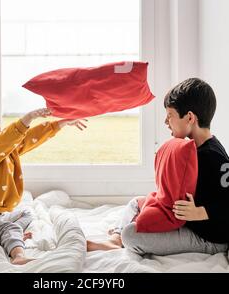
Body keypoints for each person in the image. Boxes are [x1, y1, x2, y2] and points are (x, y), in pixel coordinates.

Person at [87, 78, 229, 256]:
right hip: (185, 219)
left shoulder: (212, 156)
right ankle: (115, 240)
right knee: (136, 203)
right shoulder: (192, 150)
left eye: (170, 115)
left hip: (208, 237)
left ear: (190, 117)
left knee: (131, 235)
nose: (166, 121)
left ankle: (122, 239)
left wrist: (200, 212)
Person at [0, 107, 87, 265]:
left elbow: (27, 138)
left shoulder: (3, 150)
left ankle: (7, 236)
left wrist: (60, 124)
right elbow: (6, 139)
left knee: (27, 213)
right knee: (11, 228)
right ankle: (18, 256)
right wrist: (29, 117)